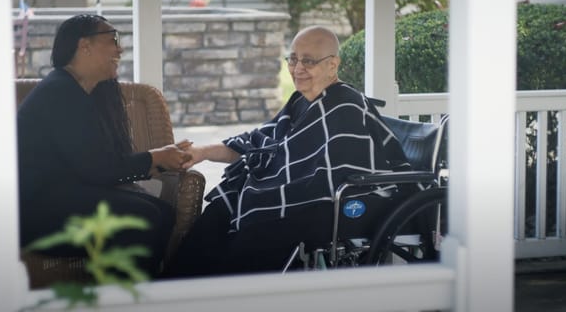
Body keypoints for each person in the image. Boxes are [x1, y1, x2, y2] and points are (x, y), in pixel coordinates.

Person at [164, 25, 410, 277]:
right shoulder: (300, 101)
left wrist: (275, 187)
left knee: (256, 224)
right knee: (220, 209)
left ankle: (227, 296)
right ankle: (173, 292)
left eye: (309, 61)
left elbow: (338, 173)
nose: (297, 68)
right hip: (299, 195)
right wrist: (202, 152)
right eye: (293, 59)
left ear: (333, 65)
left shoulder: (345, 105)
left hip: (335, 202)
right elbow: (259, 143)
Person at [17, 14, 191, 277]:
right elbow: (98, 169)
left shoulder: (77, 90)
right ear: (84, 46)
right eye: (112, 39)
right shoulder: (59, 92)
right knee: (145, 217)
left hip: (63, 197)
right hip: (35, 213)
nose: (120, 48)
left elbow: (95, 164)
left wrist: (158, 163)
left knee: (163, 213)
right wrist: (156, 157)